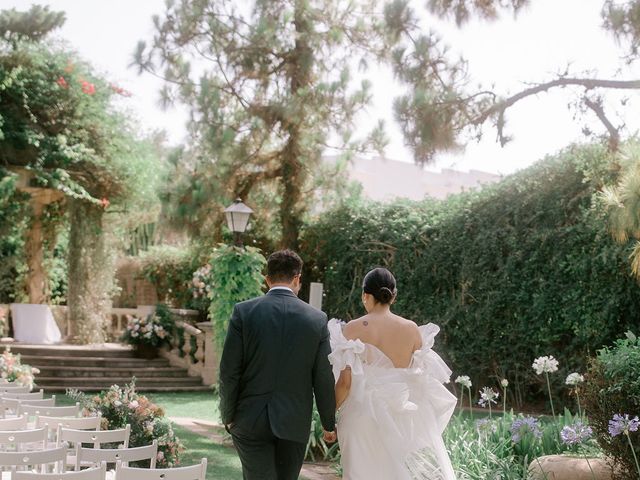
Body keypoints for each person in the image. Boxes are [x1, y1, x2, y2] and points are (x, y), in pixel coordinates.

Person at [219, 249, 337, 480]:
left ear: (267, 279)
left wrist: (228, 415)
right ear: (297, 279)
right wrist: (328, 423)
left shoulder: (244, 312)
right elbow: (323, 376)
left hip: (249, 420)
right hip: (294, 423)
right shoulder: (316, 319)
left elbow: (229, 371)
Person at [329, 267, 457, 480]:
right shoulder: (412, 330)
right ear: (393, 296)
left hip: (360, 417)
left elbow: (344, 382)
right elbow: (420, 380)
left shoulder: (354, 328)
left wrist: (329, 415)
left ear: (365, 296)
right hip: (398, 417)